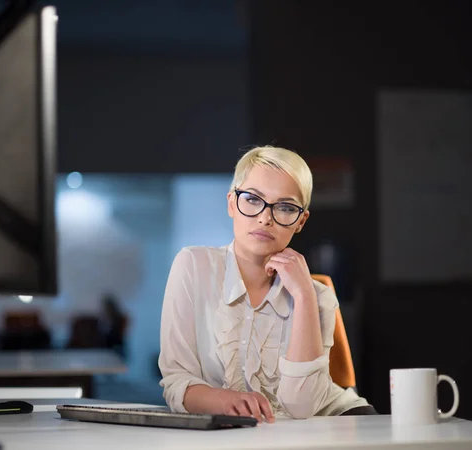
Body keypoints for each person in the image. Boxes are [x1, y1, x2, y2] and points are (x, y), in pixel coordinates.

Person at [159, 146, 375, 422]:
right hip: (241, 430)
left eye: (285, 207)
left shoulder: (316, 296)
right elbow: (177, 380)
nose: (265, 218)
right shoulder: (192, 266)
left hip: (330, 423)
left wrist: (304, 296)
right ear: (230, 203)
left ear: (300, 221)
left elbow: (302, 408)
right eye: (252, 199)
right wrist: (226, 400)